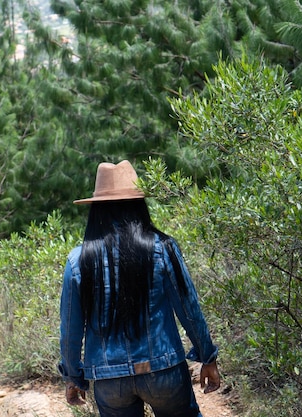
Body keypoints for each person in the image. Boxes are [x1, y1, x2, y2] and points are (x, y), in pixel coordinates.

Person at [58, 160, 221, 417]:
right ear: (138, 205)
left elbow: (70, 329)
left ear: (96, 210)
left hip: (109, 380)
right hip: (163, 369)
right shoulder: (162, 247)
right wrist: (207, 357)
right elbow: (189, 309)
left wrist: (73, 377)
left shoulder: (78, 260)